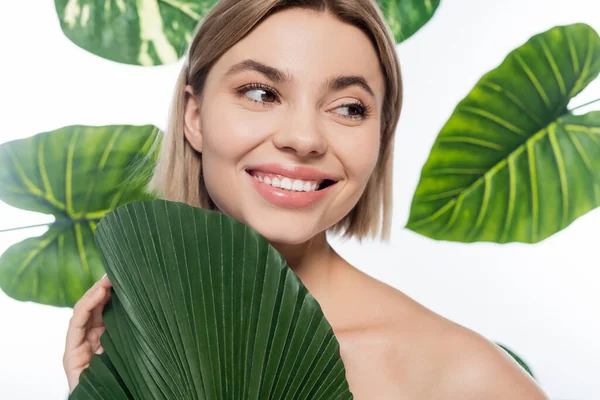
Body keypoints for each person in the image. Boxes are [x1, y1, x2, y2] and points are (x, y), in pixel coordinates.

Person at [63, 0, 550, 398]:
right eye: (260, 94)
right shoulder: (135, 341)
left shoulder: (465, 378)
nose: (303, 138)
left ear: (380, 135)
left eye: (348, 108)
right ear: (194, 116)